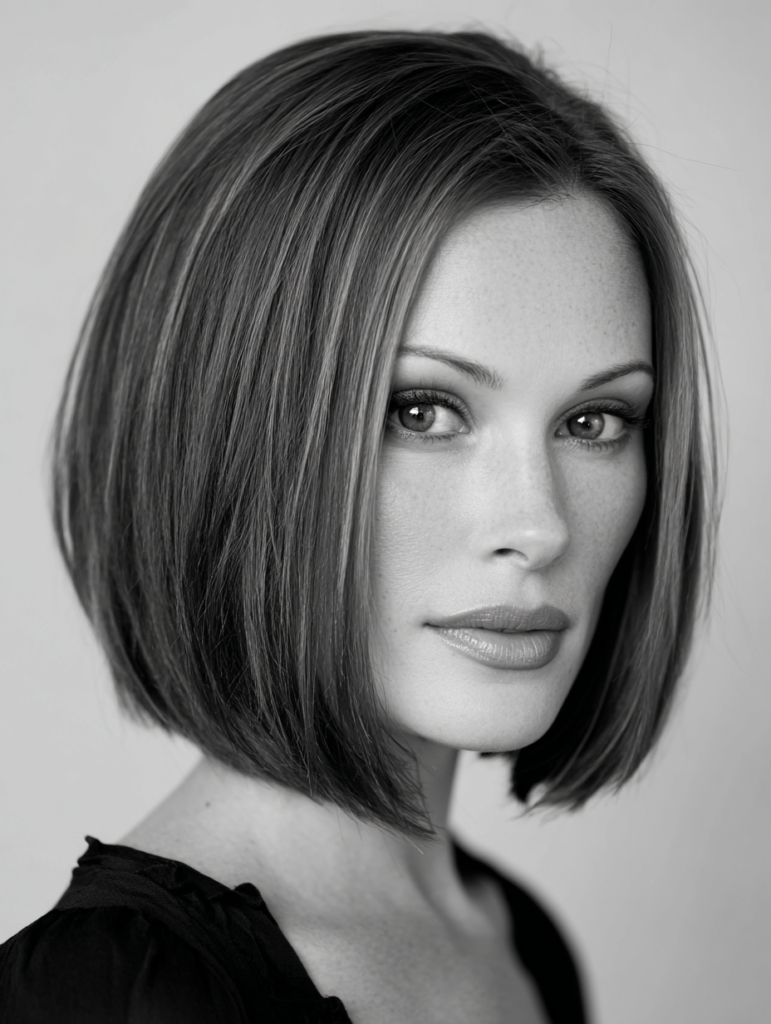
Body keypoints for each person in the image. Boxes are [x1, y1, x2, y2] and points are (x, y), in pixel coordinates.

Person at [0, 28, 719, 1024]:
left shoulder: (518, 943)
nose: (539, 525)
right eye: (422, 411)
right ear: (231, 434)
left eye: (594, 422)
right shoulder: (103, 1000)